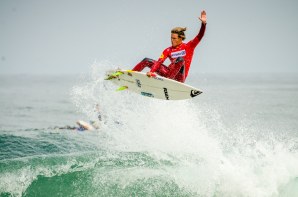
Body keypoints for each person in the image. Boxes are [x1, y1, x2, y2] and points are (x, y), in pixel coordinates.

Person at [132, 10, 207, 83]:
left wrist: (203, 25)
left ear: (181, 38)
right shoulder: (168, 50)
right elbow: (159, 62)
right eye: (171, 38)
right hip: (168, 74)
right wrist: (151, 72)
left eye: (174, 38)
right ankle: (131, 74)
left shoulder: (189, 46)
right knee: (146, 60)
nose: (172, 40)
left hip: (179, 78)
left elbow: (200, 36)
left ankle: (169, 81)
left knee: (180, 59)